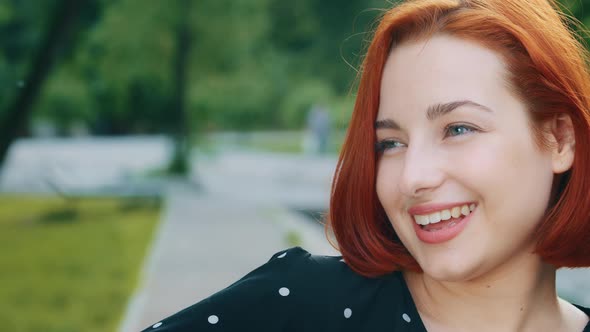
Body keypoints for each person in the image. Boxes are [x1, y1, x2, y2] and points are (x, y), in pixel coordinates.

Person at [142, 0, 590, 330]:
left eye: (458, 129)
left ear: (559, 138)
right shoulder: (300, 307)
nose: (413, 178)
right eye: (391, 143)